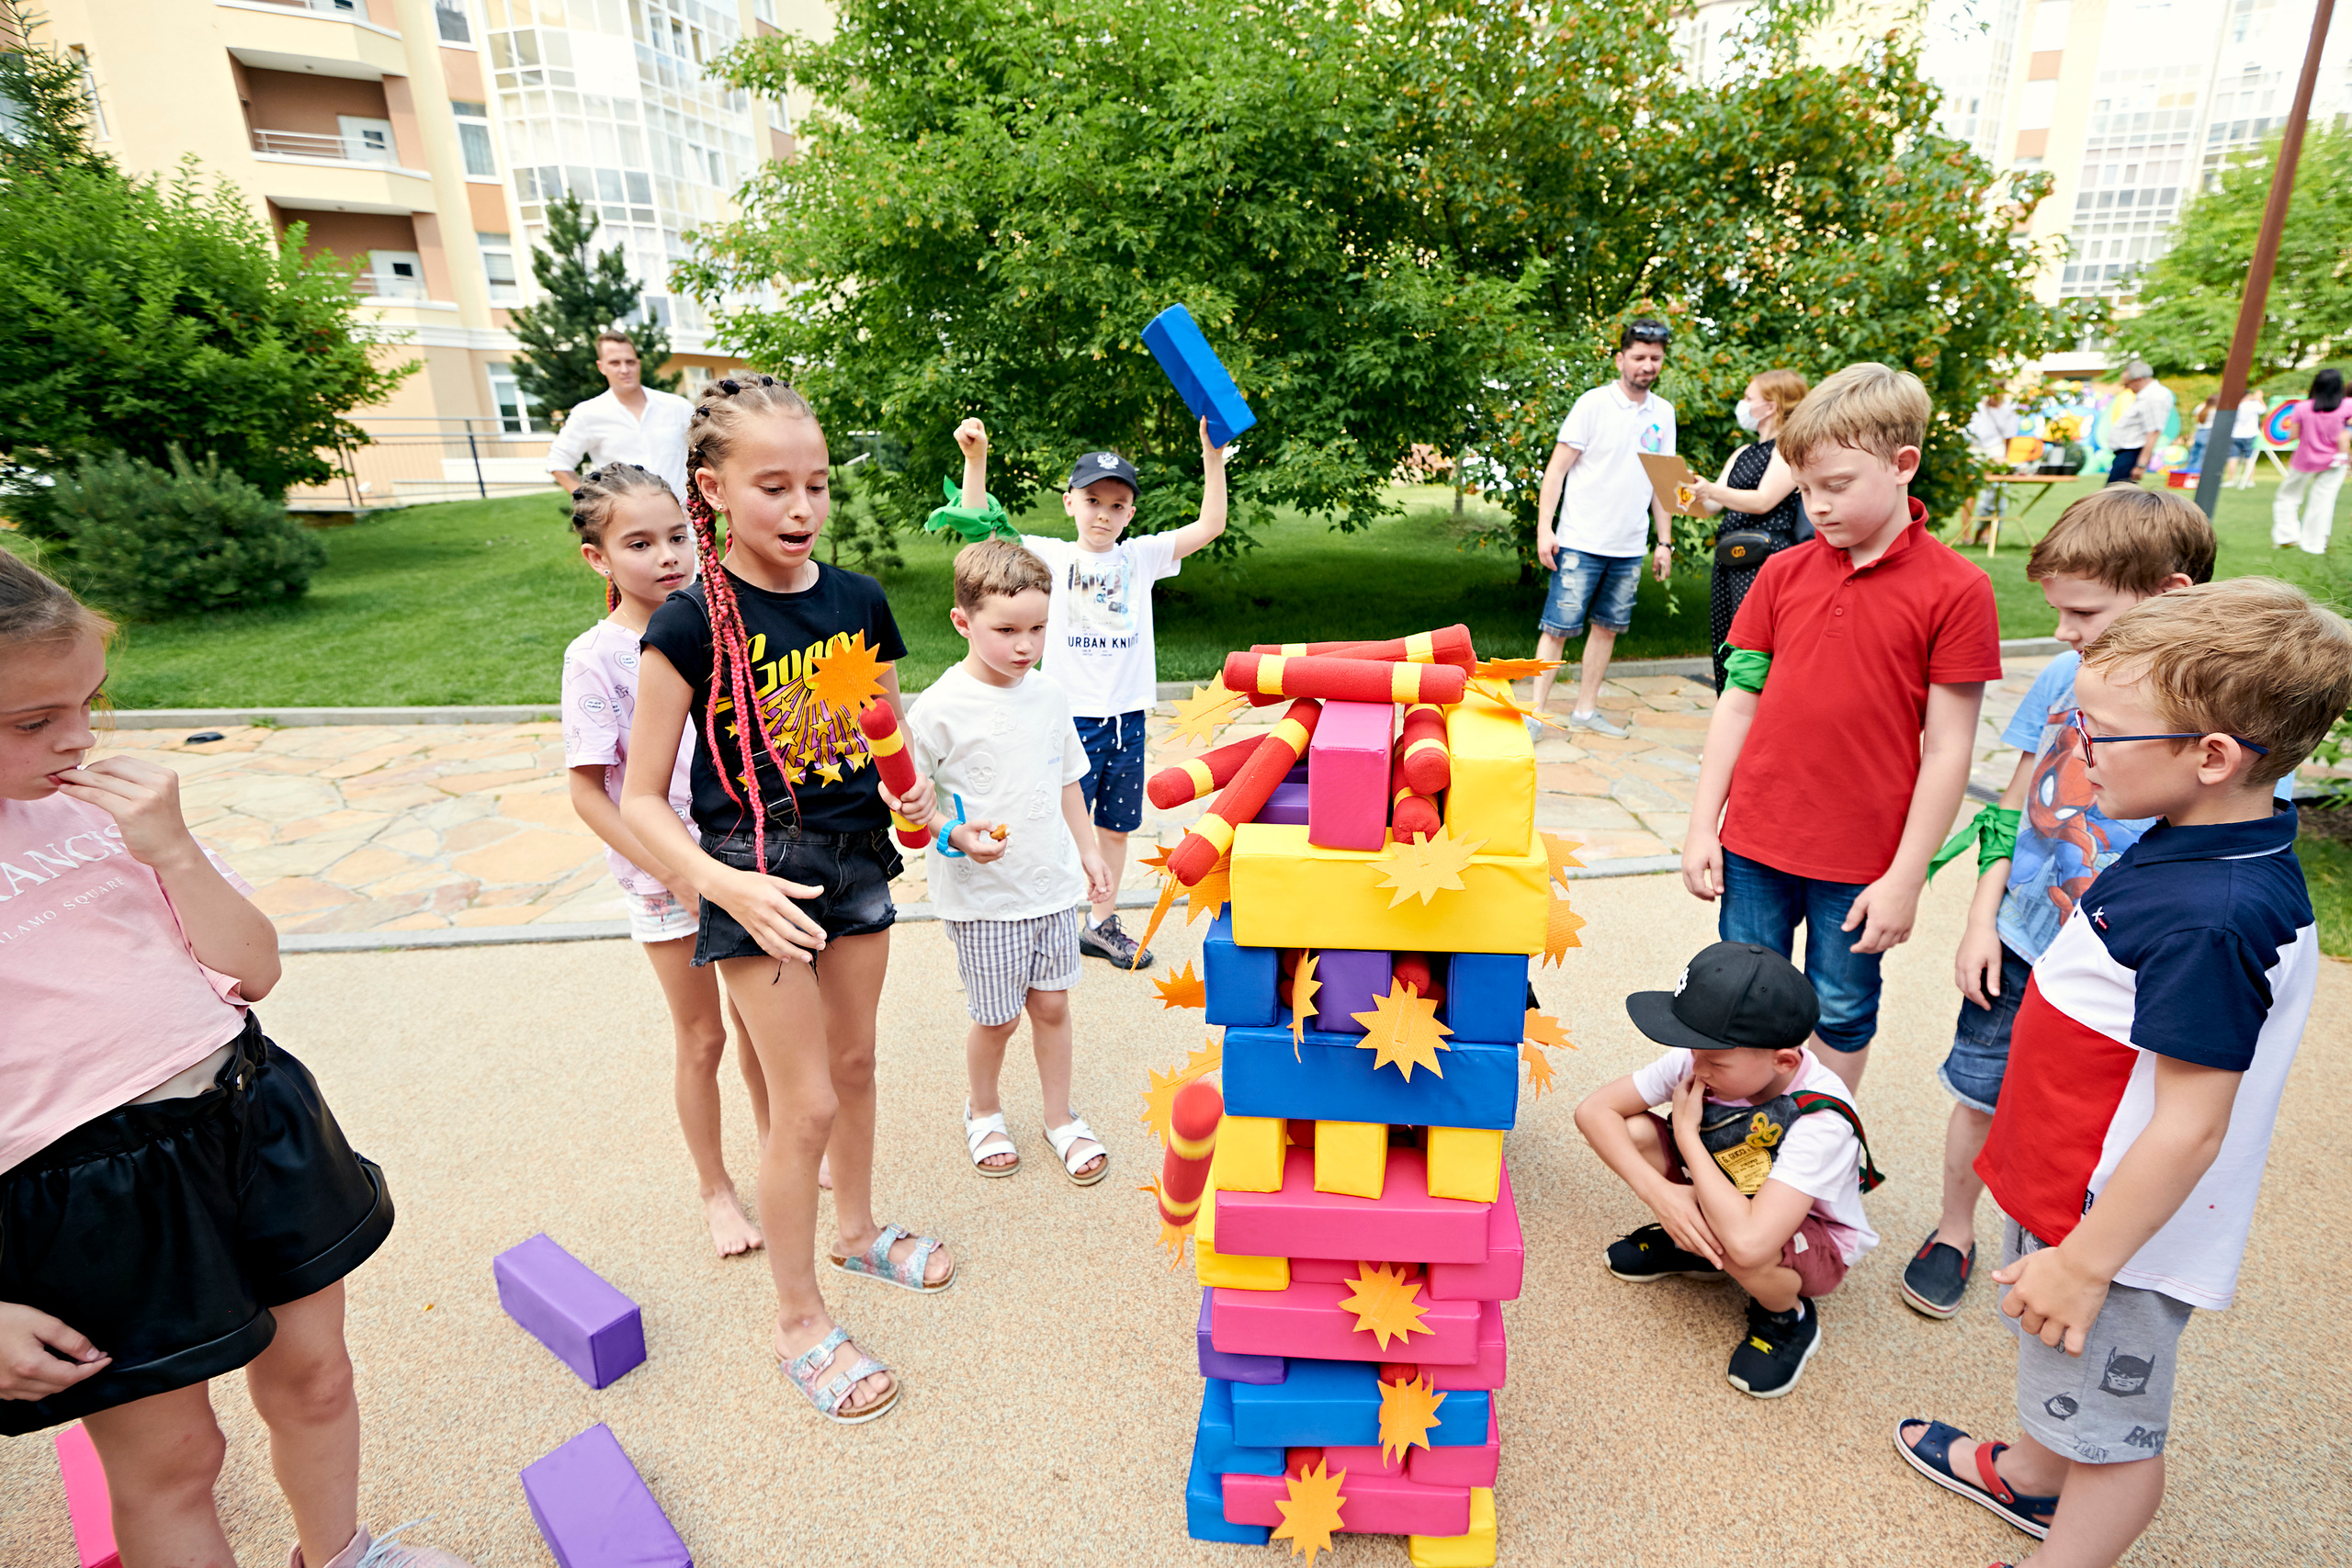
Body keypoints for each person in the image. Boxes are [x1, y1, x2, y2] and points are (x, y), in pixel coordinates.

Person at [0, 555, 471, 1567]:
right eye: (32, 722)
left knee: (318, 1380)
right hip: (81, 1199)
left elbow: (252, 968)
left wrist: (170, 848)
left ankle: (340, 1552)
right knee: (174, 1461)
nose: (77, 739)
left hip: (247, 1110)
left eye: (90, 702)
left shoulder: (98, 807)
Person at [1897, 577, 2352, 1568]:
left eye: (2098, 731)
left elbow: (2189, 1124)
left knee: (2113, 1432)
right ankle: (2028, 1474)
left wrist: (2086, 1260)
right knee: (2061, 1370)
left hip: (2116, 1230)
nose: (2075, 750)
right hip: (2072, 1180)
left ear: (2212, 756)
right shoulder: (2199, 837)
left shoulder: (2212, 915)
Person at [624, 375, 955, 1426]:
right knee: (802, 1101)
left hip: (857, 858)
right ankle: (796, 1317)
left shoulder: (857, 598)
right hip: (753, 874)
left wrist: (934, 809)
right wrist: (723, 887)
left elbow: (885, 736)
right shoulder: (683, 624)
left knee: (856, 1067)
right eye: (773, 486)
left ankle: (856, 1235)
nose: (802, 506)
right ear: (713, 491)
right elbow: (634, 798)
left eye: (814, 482)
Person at [1900, 488, 2216, 1320]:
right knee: (1980, 1086)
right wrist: (1980, 916)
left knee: (2093, 1115)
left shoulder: (2223, 709)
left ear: (2170, 595)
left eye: (2084, 611)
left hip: (2121, 966)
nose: (2066, 633)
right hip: (2024, 936)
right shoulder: (2060, 674)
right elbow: (2014, 801)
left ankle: (2074, 1247)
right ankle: (1954, 1227)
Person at [1680, 363, 2002, 1093]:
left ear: (1902, 465)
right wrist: (1705, 824)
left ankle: (1820, 1147)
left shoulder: (1959, 589)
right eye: (1805, 487)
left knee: (1844, 1006)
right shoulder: (1782, 574)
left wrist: (1906, 877)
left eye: (1837, 485)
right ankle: (1746, 1138)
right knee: (1745, 1000)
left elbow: (1950, 748)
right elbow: (1737, 702)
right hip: (1757, 838)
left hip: (1863, 857)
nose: (1816, 506)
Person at [561, 462, 772, 1258]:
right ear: (599, 559)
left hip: (743, 859)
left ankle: (773, 1141)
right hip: (665, 881)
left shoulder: (722, 624)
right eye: (639, 542)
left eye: (678, 536)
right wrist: (677, 871)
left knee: (762, 1026)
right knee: (705, 1038)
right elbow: (590, 793)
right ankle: (715, 1186)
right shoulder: (597, 658)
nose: (667, 555)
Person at [1574, 941, 1881, 1400]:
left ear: (1783, 1061)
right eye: (1694, 1051)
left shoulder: (1822, 1118)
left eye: (1714, 1062)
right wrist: (1663, 1197)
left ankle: (1787, 1317)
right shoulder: (1707, 1053)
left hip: (1806, 1233)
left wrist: (1688, 1136)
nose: (1696, 1067)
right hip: (1731, 1191)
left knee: (1742, 1252)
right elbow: (1593, 1111)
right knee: (1634, 1132)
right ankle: (1693, 1243)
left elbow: (1751, 1239)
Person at [900, 538, 1115, 1183]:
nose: (1025, 645)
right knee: (996, 1017)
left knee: (1052, 1005)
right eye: (1007, 630)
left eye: (1039, 629)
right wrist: (951, 831)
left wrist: (1089, 848)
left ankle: (1059, 1117)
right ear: (963, 622)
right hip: (984, 895)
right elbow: (908, 799)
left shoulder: (1046, 694)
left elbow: (1067, 778)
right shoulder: (939, 706)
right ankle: (985, 1110)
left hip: (1049, 886)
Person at [998, 414, 1231, 972]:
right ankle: (1044, 919)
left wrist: (1213, 455)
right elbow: (984, 529)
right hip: (1069, 718)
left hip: (1127, 719)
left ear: (1130, 513)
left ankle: (1101, 924)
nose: (1103, 513)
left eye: (1117, 504)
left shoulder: (1141, 556)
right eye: (1093, 500)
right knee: (1054, 824)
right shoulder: (1050, 556)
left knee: (1116, 826)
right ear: (1069, 502)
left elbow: (1211, 524)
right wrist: (978, 461)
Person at [1529, 320, 1678, 735]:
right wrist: (1545, 528)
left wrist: (1664, 542)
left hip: (1630, 546)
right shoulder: (1592, 404)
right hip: (1579, 541)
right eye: (1639, 357)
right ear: (1620, 359)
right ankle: (1535, 713)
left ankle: (1584, 711)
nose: (1647, 365)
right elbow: (1556, 471)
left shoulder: (1663, 413)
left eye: (1655, 358)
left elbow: (1663, 484)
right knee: (1557, 630)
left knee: (1608, 629)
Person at [1691, 368, 1810, 692]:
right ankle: (1731, 710)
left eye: (1748, 398)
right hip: (1731, 559)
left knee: (1756, 644)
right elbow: (1712, 506)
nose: (1742, 405)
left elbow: (1763, 500)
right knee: (1728, 637)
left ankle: (1757, 715)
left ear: (1770, 406)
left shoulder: (1788, 449)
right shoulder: (1743, 452)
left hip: (1764, 562)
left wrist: (1711, 491)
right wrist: (1684, 491)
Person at [547, 331, 695, 502]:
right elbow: (559, 463)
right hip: (627, 523)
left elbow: (706, 452)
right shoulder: (587, 414)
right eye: (615, 363)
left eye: (630, 362)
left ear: (638, 364)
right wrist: (595, 505)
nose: (624, 369)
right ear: (601, 367)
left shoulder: (678, 407)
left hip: (686, 522)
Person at [2269, 367, 2350, 555]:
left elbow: (2293, 435)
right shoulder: (2348, 405)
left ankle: (2287, 536)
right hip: (2334, 462)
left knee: (2288, 497)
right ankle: (2314, 545)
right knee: (2323, 502)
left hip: (2304, 460)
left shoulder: (2302, 407)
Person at [1960, 389, 2021, 546]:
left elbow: (2009, 435)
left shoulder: (2009, 409)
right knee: (1969, 492)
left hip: (1996, 449)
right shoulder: (1978, 406)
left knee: (1993, 491)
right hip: (1975, 448)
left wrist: (2005, 459)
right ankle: (1965, 534)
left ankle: (1985, 533)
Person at [2101, 361, 2174, 488]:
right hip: (2126, 454)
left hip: (2132, 455)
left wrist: (2141, 465)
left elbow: (2154, 431)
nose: (2126, 388)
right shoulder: (2146, 396)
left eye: (2127, 384)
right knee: (2115, 496)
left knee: (2114, 498)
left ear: (2139, 379)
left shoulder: (2155, 396)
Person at [2225, 385, 2267, 483]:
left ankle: (2231, 480)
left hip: (2235, 434)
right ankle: (2249, 480)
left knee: (2233, 457)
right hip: (2250, 435)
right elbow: (2264, 410)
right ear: (2248, 395)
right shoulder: (2252, 405)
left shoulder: (2234, 405)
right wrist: (2259, 398)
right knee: (2249, 458)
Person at [2183, 394, 2217, 473]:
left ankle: (2188, 471)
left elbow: (2196, 417)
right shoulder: (2214, 410)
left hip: (2199, 432)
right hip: (2209, 431)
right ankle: (2196, 473)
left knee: (2194, 453)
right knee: (2202, 454)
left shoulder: (2200, 407)